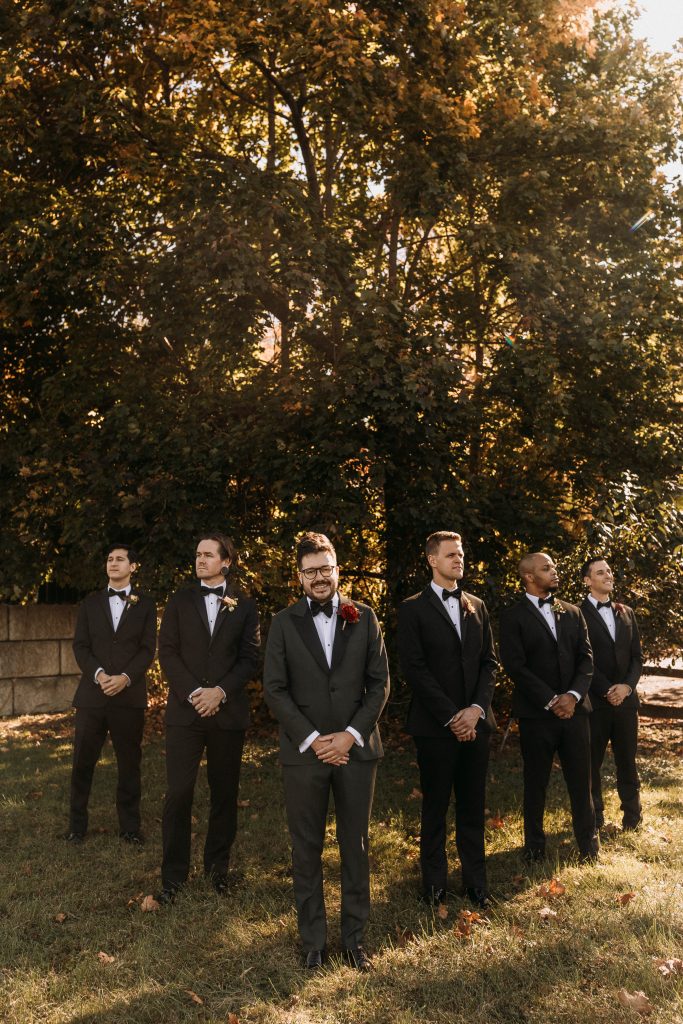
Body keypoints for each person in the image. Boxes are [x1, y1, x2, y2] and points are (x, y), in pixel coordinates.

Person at [263, 532, 390, 971]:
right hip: (304, 753)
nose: (319, 577)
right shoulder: (283, 623)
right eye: (310, 571)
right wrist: (314, 739)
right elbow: (275, 690)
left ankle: (355, 939)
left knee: (355, 844)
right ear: (299, 577)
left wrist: (350, 735)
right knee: (306, 848)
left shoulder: (366, 617)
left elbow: (379, 685)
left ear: (338, 570)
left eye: (326, 569)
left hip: (356, 751)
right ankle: (313, 941)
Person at [157, 533, 259, 902]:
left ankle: (218, 871)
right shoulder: (180, 600)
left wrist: (220, 692)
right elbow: (166, 651)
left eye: (207, 554)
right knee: (179, 792)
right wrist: (195, 693)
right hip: (185, 713)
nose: (200, 560)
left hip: (227, 713)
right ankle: (172, 878)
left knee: (224, 794)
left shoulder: (245, 604)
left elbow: (249, 657)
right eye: (197, 554)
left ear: (226, 561)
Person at [398, 531, 497, 909]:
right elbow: (415, 669)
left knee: (473, 806)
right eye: (451, 554)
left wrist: (475, 710)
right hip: (435, 727)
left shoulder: (477, 604)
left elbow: (489, 662)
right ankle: (435, 885)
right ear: (432, 560)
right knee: (435, 807)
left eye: (461, 553)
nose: (458, 560)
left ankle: (476, 885)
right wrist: (452, 716)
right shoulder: (412, 608)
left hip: (476, 723)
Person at [499, 552, 598, 863]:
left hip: (576, 713)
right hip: (536, 715)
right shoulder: (512, 617)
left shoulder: (572, 612)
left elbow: (586, 659)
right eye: (546, 568)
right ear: (529, 576)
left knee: (582, 782)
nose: (554, 572)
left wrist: (572, 696)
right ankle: (534, 849)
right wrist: (552, 700)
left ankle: (589, 847)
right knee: (535, 783)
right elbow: (515, 665)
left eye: (554, 566)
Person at [68, 543, 156, 844]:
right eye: (109, 559)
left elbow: (147, 649)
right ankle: (76, 826)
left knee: (129, 763)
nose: (113, 563)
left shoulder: (146, 604)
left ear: (133, 566)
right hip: (92, 696)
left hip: (128, 698)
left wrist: (126, 678)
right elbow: (80, 646)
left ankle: (130, 828)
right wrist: (100, 675)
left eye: (120, 559)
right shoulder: (90, 604)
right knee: (82, 761)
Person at [581, 557, 643, 831]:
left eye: (609, 570)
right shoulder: (576, 613)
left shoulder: (626, 612)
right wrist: (607, 689)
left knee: (627, 762)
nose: (607, 575)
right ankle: (595, 818)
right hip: (595, 702)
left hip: (626, 703)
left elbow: (637, 658)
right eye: (600, 572)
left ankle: (633, 816)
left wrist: (626, 687)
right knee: (591, 764)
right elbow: (581, 660)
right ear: (587, 580)